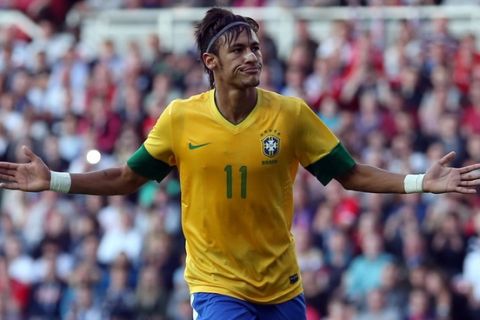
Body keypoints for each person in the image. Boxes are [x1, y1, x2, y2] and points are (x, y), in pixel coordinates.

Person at [0, 8, 480, 320]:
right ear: (211, 61)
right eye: (240, 50)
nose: (253, 56)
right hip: (216, 286)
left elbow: (350, 174)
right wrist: (56, 181)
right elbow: (126, 178)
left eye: (256, 48)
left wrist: (419, 182)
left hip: (282, 285)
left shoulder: (290, 115)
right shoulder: (180, 118)